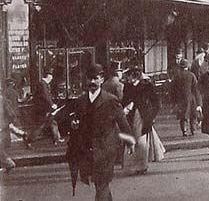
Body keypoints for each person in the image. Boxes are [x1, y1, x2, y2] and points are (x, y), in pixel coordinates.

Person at [65, 63, 135, 200]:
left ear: (101, 79)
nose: (92, 82)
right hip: (89, 149)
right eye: (89, 79)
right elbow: (75, 123)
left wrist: (130, 141)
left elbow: (123, 123)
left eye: (95, 78)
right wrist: (74, 125)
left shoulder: (111, 101)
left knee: (102, 182)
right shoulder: (80, 101)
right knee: (99, 184)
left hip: (106, 149)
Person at [122, 66, 161, 175]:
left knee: (141, 141)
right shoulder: (127, 86)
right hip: (131, 116)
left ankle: (142, 166)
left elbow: (156, 102)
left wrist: (152, 116)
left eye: (129, 75)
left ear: (134, 76)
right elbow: (124, 100)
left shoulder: (147, 86)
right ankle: (133, 166)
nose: (127, 78)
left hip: (143, 116)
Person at [26, 69, 63, 147]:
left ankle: (56, 139)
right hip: (43, 109)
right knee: (41, 125)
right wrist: (52, 104)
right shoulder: (43, 84)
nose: (52, 78)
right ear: (48, 76)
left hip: (43, 108)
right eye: (51, 76)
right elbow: (45, 95)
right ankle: (29, 139)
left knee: (53, 123)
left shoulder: (42, 84)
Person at [171, 59, 200, 136]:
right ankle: (193, 129)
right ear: (187, 67)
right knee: (192, 115)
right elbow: (196, 89)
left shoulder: (176, 76)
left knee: (183, 116)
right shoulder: (191, 75)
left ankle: (184, 130)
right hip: (191, 98)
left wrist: (174, 101)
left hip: (180, 99)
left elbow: (172, 89)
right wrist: (198, 101)